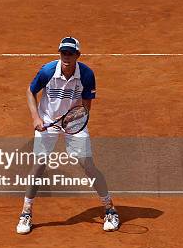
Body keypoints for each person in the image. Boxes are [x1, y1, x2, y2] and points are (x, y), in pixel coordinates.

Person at [16, 36, 120, 234]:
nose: (66, 56)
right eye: (63, 52)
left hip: (73, 122)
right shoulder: (47, 71)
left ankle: (110, 208)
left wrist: (74, 122)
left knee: (87, 165)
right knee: (38, 166)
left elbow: (86, 108)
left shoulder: (87, 75)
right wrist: (36, 118)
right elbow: (30, 92)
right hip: (48, 120)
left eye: (71, 53)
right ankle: (26, 213)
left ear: (78, 55)